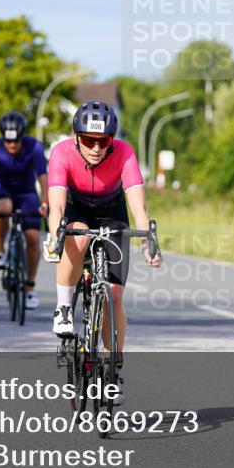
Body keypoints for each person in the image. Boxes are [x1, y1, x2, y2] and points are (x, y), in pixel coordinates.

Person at [43, 101, 162, 401]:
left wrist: (147, 239)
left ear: (112, 140)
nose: (96, 148)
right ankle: (64, 308)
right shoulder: (61, 153)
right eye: (88, 140)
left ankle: (112, 366)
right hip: (76, 209)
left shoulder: (124, 153)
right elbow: (56, 204)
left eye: (103, 141)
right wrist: (55, 235)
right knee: (77, 238)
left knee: (116, 293)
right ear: (76, 137)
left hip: (112, 213)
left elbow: (138, 203)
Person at [0, 111, 49, 311]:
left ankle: (29, 288)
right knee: (3, 208)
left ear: (22, 137)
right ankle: (0, 250)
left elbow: (43, 177)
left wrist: (45, 202)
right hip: (5, 192)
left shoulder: (35, 147)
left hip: (27, 193)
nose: (12, 145)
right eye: (8, 141)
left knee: (33, 238)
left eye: (16, 141)